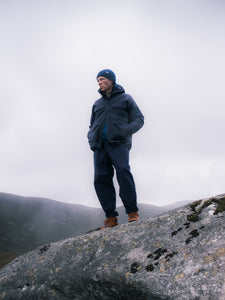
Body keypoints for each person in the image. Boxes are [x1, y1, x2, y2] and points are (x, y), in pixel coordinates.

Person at [88, 69, 144, 229]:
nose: (99, 82)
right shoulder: (97, 104)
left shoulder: (126, 99)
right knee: (101, 179)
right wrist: (91, 137)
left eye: (102, 79)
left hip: (118, 144)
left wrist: (124, 131)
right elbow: (92, 124)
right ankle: (111, 217)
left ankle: (133, 212)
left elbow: (139, 119)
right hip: (99, 146)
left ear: (112, 80)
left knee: (123, 172)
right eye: (97, 80)